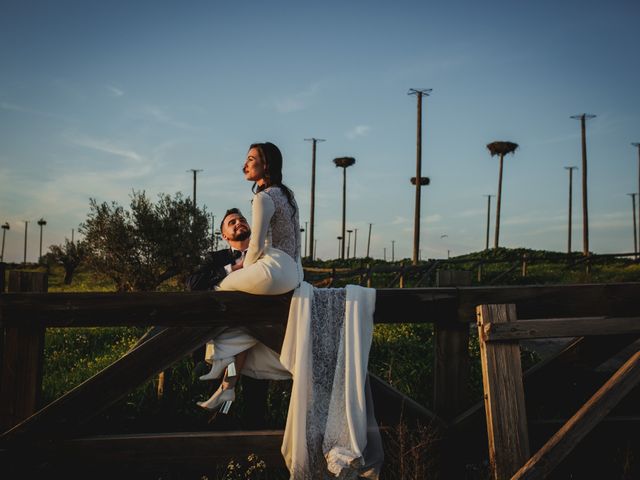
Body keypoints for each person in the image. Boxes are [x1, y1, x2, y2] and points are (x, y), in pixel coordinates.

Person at [195, 142, 303, 412]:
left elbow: (255, 247)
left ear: (265, 165)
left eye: (251, 159)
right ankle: (227, 387)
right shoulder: (287, 196)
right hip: (292, 270)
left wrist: (243, 266)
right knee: (243, 323)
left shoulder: (263, 197)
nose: (245, 165)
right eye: (246, 159)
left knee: (223, 290)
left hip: (273, 269)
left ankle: (215, 358)